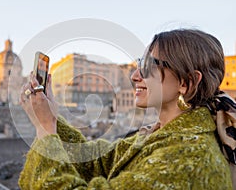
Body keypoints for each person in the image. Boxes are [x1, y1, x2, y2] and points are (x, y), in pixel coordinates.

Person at [18, 29, 236, 189]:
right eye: (140, 64)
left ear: (186, 82)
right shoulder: (162, 135)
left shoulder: (190, 162)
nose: (134, 76)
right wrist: (52, 119)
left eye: (149, 66)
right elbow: (97, 162)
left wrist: (45, 129)